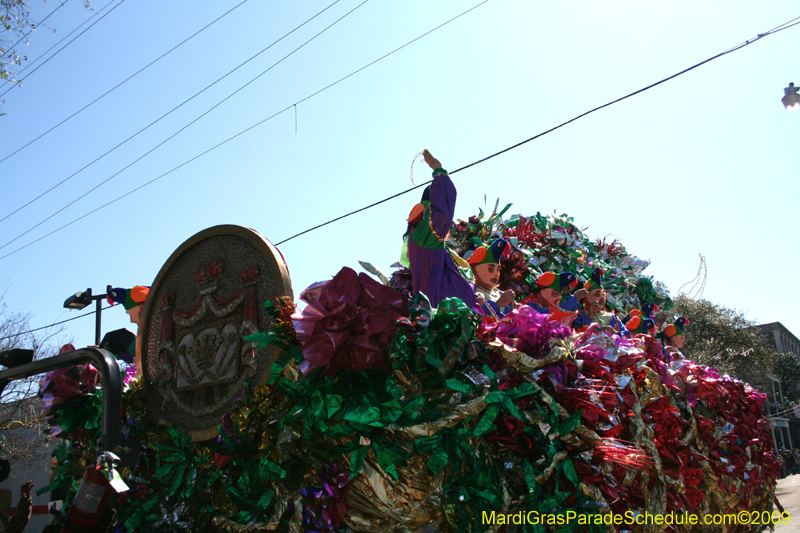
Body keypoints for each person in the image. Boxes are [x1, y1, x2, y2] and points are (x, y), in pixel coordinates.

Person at [402, 150, 476, 308]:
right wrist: (439, 171)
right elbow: (442, 213)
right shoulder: (426, 232)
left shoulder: (420, 236)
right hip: (439, 309)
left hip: (433, 306)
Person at [468, 238, 516, 318]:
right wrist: (499, 303)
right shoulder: (469, 291)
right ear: (475, 270)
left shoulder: (499, 293)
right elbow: (474, 317)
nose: (496, 274)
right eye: (490, 269)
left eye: (498, 270)